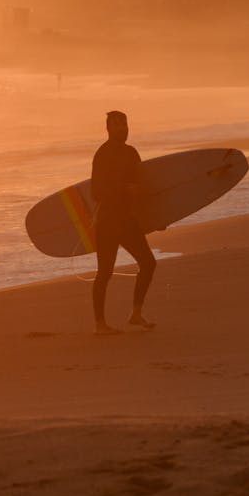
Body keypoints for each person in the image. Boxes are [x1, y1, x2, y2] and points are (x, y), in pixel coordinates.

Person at [90, 110, 156, 335]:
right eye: (117, 125)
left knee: (148, 263)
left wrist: (157, 219)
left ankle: (136, 313)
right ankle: (100, 324)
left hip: (127, 220)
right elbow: (96, 191)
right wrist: (124, 189)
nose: (122, 128)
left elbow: (141, 187)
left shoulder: (131, 153)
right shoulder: (103, 154)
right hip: (108, 221)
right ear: (108, 129)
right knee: (105, 273)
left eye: (124, 124)